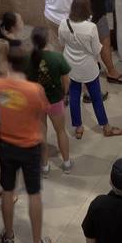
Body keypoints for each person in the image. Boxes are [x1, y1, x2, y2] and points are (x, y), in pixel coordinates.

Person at [0, 45, 51, 243]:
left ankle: (8, 237)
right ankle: (36, 242)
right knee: (34, 193)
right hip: (30, 145)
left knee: (8, 189)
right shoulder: (35, 90)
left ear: (9, 63)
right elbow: (41, 114)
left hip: (6, 144)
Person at [60, 0, 122, 144]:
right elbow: (97, 50)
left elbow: (62, 43)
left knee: (74, 97)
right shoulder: (90, 28)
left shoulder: (64, 23)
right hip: (88, 68)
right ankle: (106, 127)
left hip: (71, 66)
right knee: (96, 97)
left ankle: (78, 127)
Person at [28, 27, 75, 171]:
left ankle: (45, 166)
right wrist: (65, 95)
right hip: (55, 100)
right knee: (61, 131)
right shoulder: (57, 58)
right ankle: (66, 163)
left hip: (37, 101)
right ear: (47, 40)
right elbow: (66, 81)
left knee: (42, 133)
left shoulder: (30, 59)